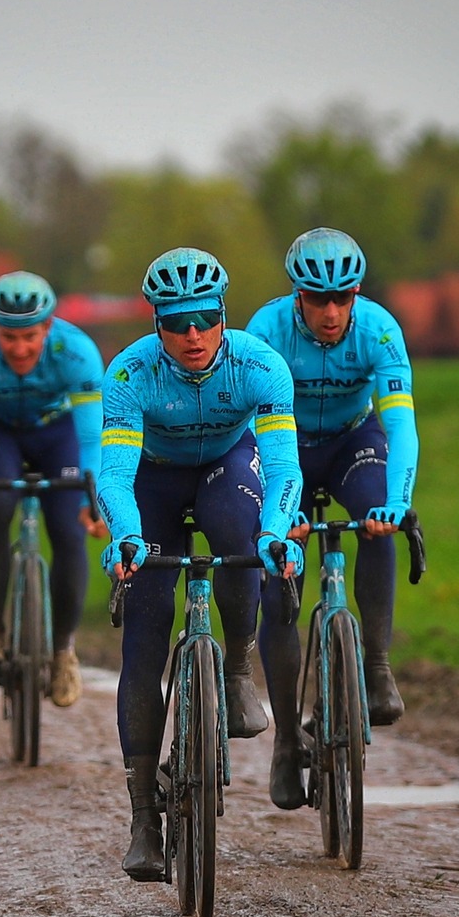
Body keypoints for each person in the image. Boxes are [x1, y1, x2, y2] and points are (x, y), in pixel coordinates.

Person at [98, 247, 302, 880]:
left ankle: (237, 667)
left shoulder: (259, 366)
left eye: (204, 320)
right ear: (155, 322)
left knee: (244, 540)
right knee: (145, 640)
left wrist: (276, 534)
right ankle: (142, 820)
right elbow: (114, 475)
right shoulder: (131, 375)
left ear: (223, 315)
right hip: (154, 484)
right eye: (175, 323)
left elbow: (285, 468)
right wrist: (126, 537)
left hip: (225, 466)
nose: (192, 335)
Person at [246, 227, 419, 810]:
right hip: (283, 448)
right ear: (297, 295)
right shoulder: (264, 332)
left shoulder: (379, 330)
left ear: (356, 293)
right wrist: (274, 513)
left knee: (377, 516)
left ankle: (376, 666)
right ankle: (288, 741)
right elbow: (243, 425)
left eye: (342, 297)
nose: (331, 310)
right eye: (318, 298)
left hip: (351, 442)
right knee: (278, 570)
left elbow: (401, 426)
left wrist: (397, 502)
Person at [0, 271, 109, 707]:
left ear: (48, 328)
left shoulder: (77, 353)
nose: (19, 348)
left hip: (59, 433)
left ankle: (64, 651)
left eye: (30, 337)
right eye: (8, 337)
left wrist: (96, 500)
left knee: (68, 529)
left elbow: (93, 438)